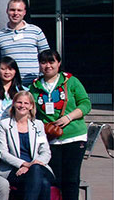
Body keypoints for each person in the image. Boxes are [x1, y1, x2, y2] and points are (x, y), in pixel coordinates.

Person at [29, 49, 91, 200]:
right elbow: (32, 112)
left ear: (59, 63)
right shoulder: (35, 86)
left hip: (74, 137)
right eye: (43, 62)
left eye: (51, 62)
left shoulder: (71, 81)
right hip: (51, 138)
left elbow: (85, 103)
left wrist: (69, 117)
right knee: (56, 179)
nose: (48, 66)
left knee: (71, 179)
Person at [0, 91, 54, 200]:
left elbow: (45, 151)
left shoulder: (38, 124)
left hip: (38, 166)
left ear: (31, 106)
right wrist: (24, 164)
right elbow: (3, 153)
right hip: (14, 169)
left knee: (36, 170)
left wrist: (31, 166)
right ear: (13, 104)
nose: (22, 106)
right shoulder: (4, 125)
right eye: (19, 102)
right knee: (44, 183)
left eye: (26, 103)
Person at [0, 0, 50, 86]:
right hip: (10, 86)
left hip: (34, 85)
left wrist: (42, 79)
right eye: (12, 10)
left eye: (19, 10)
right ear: (7, 11)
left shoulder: (36, 31)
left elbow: (46, 57)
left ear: (24, 12)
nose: (15, 13)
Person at [0, 57, 25, 129]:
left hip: (17, 130)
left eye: (10, 69)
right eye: (3, 69)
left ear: (15, 71)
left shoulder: (23, 91)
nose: (7, 72)